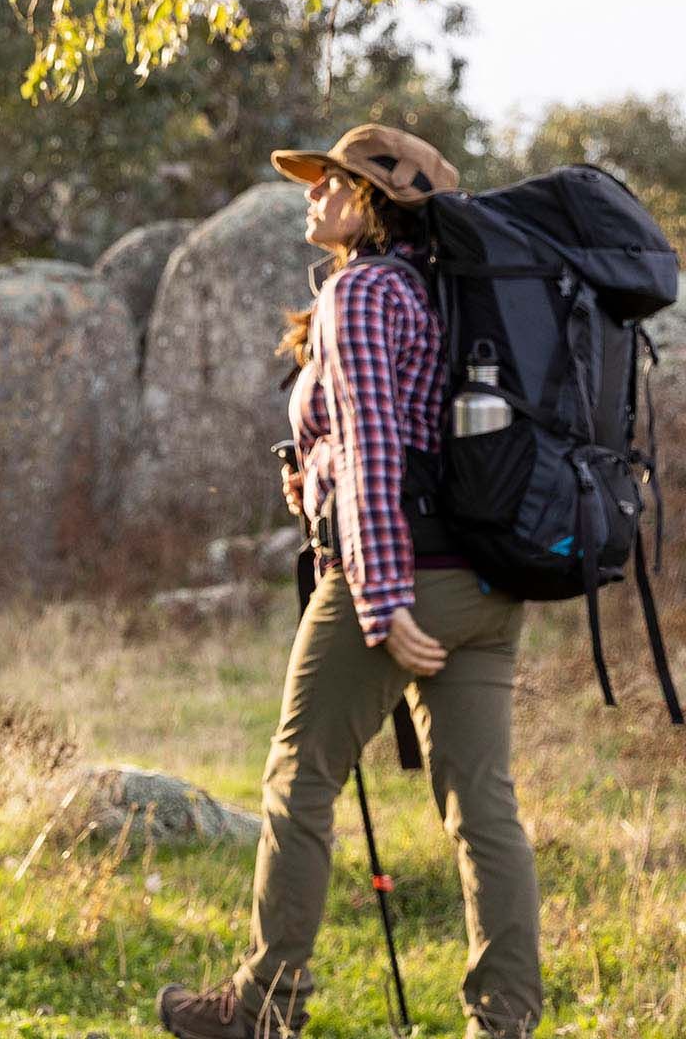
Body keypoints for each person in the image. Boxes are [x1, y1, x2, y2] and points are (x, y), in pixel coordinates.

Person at [156, 124, 540, 1039]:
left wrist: (381, 596)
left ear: (373, 200)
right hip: (484, 581)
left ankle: (260, 1007)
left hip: (401, 574)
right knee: (483, 808)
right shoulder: (442, 297)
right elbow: (398, 436)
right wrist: (312, 470)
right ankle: (506, 1024)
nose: (311, 191)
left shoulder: (365, 291)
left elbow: (374, 446)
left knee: (301, 779)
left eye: (331, 179)